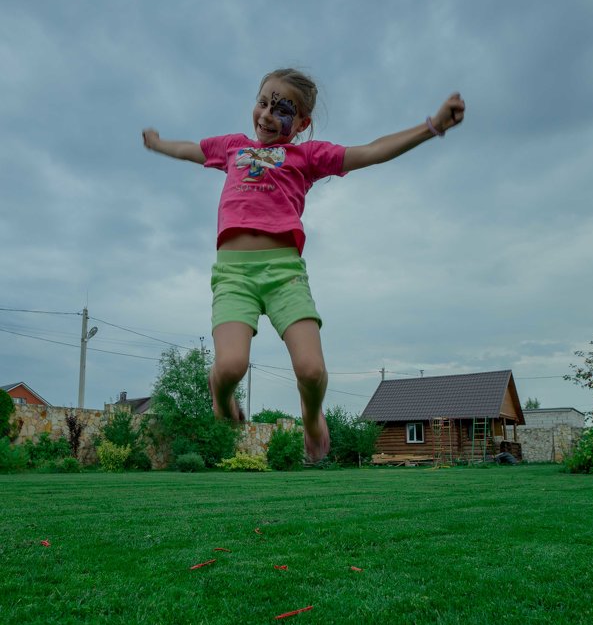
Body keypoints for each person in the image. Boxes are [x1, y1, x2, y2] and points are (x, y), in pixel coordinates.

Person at [143, 68, 465, 462]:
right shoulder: (232, 147)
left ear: (301, 123)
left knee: (312, 370)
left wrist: (431, 126)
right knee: (230, 365)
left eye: (280, 109)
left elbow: (372, 151)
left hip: (285, 273)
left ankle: (312, 416)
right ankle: (221, 395)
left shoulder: (307, 156)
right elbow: (191, 150)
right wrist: (159, 145)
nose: (265, 115)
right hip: (234, 275)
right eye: (263, 102)